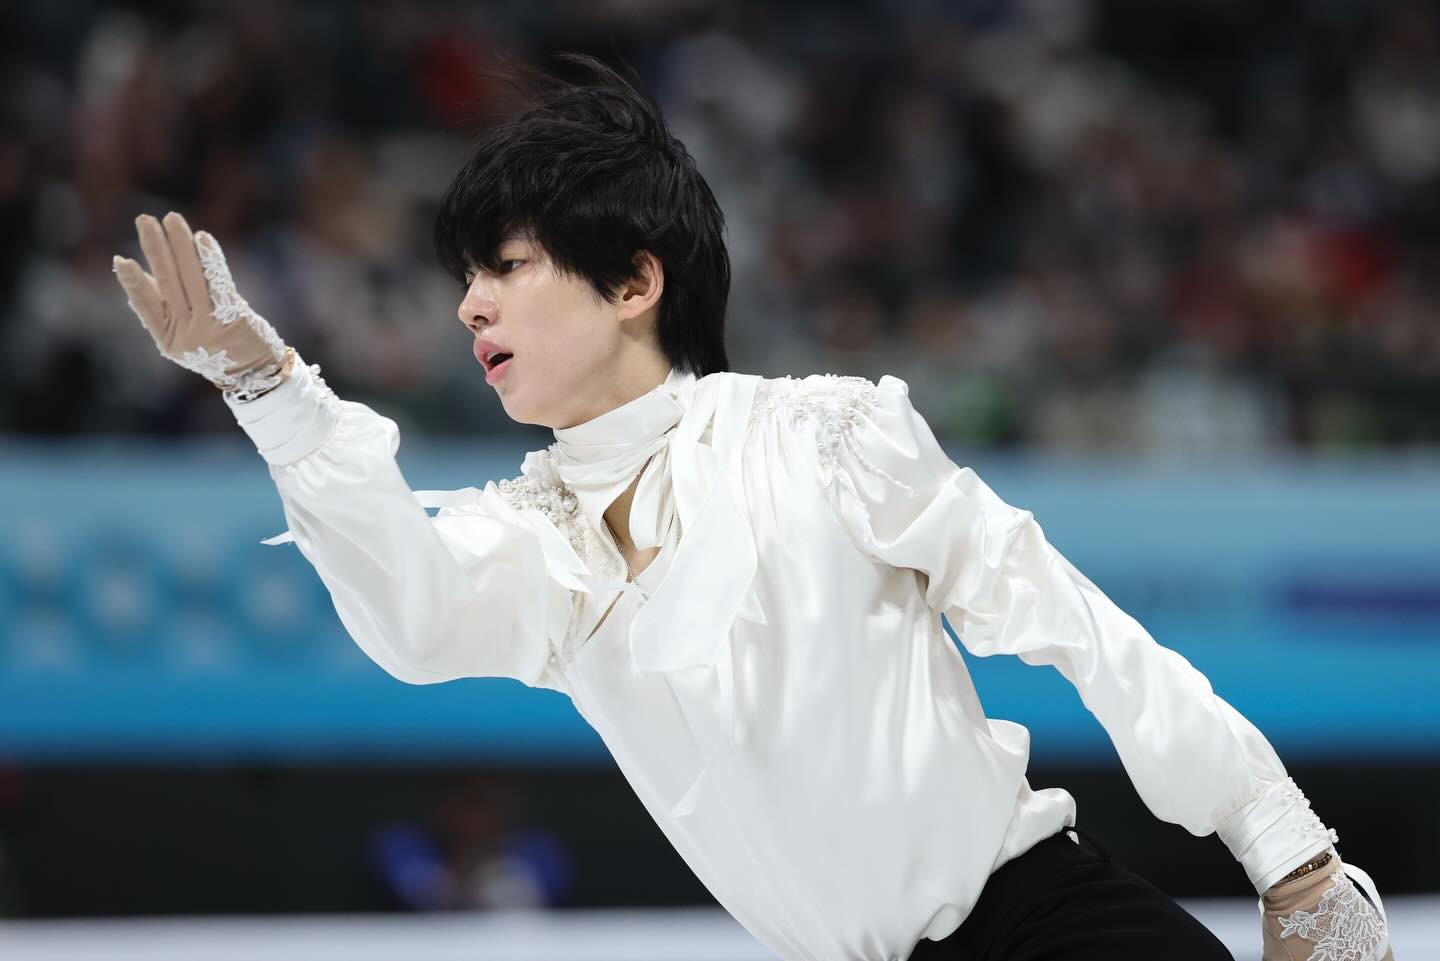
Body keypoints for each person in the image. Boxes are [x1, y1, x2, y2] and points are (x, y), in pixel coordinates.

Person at [111, 54, 1394, 961]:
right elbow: (411, 617)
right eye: (464, 277)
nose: (468, 307)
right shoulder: (541, 543)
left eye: (505, 266)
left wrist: (1290, 853)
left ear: (633, 280)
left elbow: (1078, 629)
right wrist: (269, 389)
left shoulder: (828, 433)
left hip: (1042, 923)